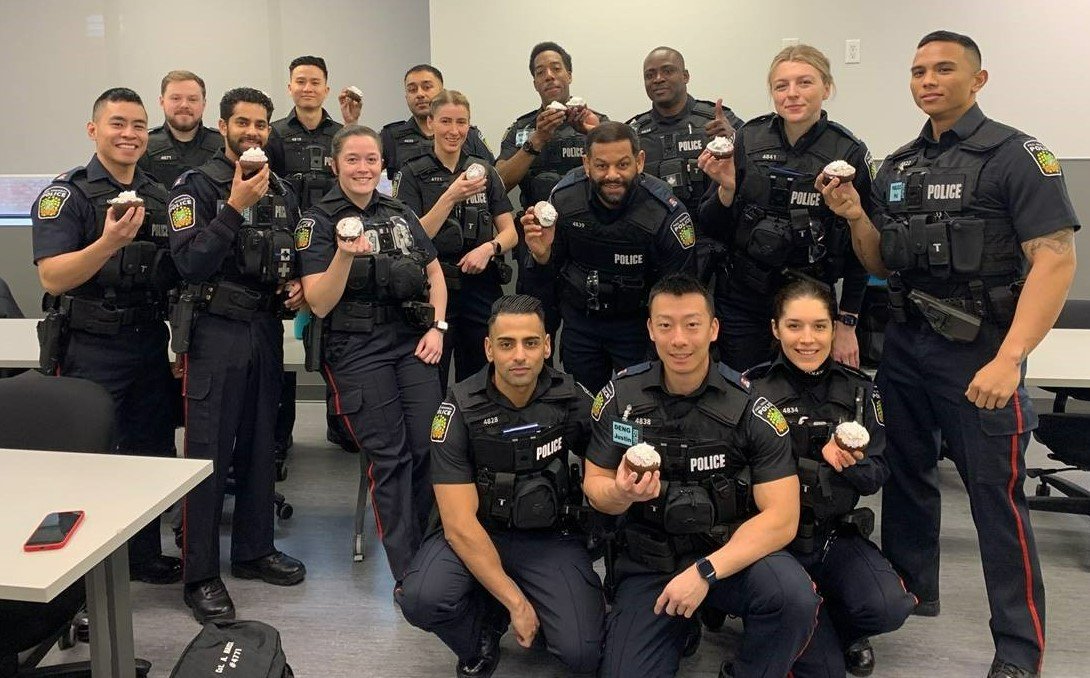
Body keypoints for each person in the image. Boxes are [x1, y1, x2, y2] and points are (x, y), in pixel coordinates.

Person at [821, 31, 1079, 678]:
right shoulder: (899, 165)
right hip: (906, 346)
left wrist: (1011, 357)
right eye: (917, 71)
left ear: (979, 79)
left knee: (996, 497)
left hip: (981, 352)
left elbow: (1055, 259)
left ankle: (1019, 652)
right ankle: (913, 592)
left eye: (943, 69)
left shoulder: (1019, 155)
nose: (927, 80)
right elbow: (879, 260)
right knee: (906, 481)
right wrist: (856, 215)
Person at [583, 274, 818, 678]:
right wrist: (621, 492)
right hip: (650, 562)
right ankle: (678, 628)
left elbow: (782, 517)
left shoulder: (752, 408)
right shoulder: (620, 399)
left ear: (712, 329)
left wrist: (706, 572)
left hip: (728, 556)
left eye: (692, 325)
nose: (679, 340)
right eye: (666, 325)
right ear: (650, 329)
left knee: (793, 598)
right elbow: (594, 486)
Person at [399, 294, 604, 678]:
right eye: (507, 345)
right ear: (489, 349)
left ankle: (540, 604)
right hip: (478, 532)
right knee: (421, 599)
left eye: (530, 343)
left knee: (582, 654)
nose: (519, 356)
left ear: (547, 345)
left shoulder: (571, 397)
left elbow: (609, 456)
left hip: (549, 537)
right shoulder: (458, 408)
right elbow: (459, 525)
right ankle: (481, 631)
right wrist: (518, 605)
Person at [31, 87, 180, 585]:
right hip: (90, 346)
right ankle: (82, 574)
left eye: (139, 125)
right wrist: (109, 242)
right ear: (94, 129)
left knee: (151, 453)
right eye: (118, 123)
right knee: (91, 458)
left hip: (147, 343)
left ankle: (142, 557)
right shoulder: (67, 194)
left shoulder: (159, 196)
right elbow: (53, 277)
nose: (129, 134)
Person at [168, 87, 307, 622]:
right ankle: (200, 573)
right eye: (242, 123)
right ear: (223, 126)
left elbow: (290, 250)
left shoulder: (284, 190)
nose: (252, 132)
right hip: (214, 331)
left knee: (259, 445)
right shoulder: (194, 187)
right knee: (208, 454)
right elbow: (190, 264)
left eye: (261, 124)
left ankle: (253, 550)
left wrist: (296, 283)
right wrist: (233, 208)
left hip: (265, 328)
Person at [297, 124, 447, 583]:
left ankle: (433, 556)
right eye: (353, 159)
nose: (363, 168)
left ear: (383, 164)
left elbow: (435, 273)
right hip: (355, 350)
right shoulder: (317, 222)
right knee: (391, 457)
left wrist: (439, 327)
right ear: (335, 164)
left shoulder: (401, 213)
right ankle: (408, 572)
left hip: (411, 342)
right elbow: (319, 301)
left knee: (429, 447)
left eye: (371, 159)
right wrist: (344, 255)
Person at [745, 279, 916, 677]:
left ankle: (838, 623)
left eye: (820, 326)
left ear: (833, 327)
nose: (808, 339)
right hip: (776, 540)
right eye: (794, 326)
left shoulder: (860, 390)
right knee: (824, 670)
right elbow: (742, 475)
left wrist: (848, 463)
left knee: (889, 606)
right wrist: (812, 462)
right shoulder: (752, 391)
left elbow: (877, 474)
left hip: (833, 533)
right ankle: (783, 622)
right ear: (775, 329)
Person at [699, 44, 872, 373]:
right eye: (782, 86)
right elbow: (709, 226)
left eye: (804, 82)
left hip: (809, 304)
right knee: (744, 393)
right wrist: (727, 189)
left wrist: (846, 323)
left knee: (805, 401)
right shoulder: (747, 138)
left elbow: (860, 249)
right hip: (743, 301)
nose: (792, 94)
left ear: (827, 87)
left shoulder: (848, 152)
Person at [521, 121, 695, 394]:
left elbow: (680, 294)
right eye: (601, 166)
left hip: (638, 327)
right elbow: (547, 281)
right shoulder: (564, 199)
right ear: (586, 164)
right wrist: (541, 256)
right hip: (581, 323)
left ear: (639, 162)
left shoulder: (667, 214)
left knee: (640, 405)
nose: (612, 175)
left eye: (622, 165)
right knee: (582, 407)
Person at [267, 55, 362, 457]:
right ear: (290, 87)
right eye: (300, 81)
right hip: (286, 250)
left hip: (332, 250)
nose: (307, 88)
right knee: (286, 343)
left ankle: (340, 425)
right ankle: (281, 432)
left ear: (326, 87)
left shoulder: (341, 135)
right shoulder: (272, 135)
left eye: (315, 81)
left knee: (336, 337)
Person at [395, 90, 518, 388]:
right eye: (446, 121)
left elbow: (510, 232)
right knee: (432, 372)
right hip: (434, 288)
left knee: (480, 373)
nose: (454, 130)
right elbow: (411, 238)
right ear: (431, 122)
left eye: (461, 122)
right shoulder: (412, 173)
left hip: (481, 286)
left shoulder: (484, 170)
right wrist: (450, 197)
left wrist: (490, 248)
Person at [497, 41, 607, 347]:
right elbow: (500, 183)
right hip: (536, 242)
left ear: (569, 75)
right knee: (533, 329)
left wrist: (593, 134)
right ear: (534, 82)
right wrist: (537, 139)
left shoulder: (596, 123)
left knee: (589, 335)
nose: (549, 76)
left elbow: (623, 175)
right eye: (540, 71)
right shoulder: (521, 129)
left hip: (587, 240)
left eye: (556, 68)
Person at [626, 47, 742, 285]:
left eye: (667, 71)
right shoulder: (635, 131)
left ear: (685, 76)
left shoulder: (716, 120)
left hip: (711, 244)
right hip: (658, 246)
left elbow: (750, 170)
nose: (658, 78)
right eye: (650, 74)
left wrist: (733, 138)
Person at [381, 64, 494, 178]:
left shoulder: (468, 134)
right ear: (406, 97)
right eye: (412, 90)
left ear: (442, 92)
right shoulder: (391, 136)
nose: (420, 94)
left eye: (427, 87)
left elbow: (492, 175)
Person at [139, 70, 223, 188]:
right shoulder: (144, 146)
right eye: (176, 98)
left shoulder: (222, 146)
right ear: (162, 102)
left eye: (192, 99)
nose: (184, 105)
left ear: (204, 104)